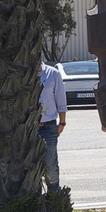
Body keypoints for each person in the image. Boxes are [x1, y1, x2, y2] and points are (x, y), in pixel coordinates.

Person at [38, 59, 68, 195]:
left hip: (48, 126)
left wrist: (62, 122)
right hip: (28, 128)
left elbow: (61, 100)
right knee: (30, 164)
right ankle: (34, 195)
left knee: (50, 163)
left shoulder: (53, 73)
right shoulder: (23, 73)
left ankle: (54, 195)